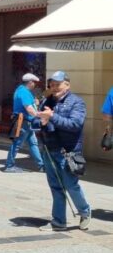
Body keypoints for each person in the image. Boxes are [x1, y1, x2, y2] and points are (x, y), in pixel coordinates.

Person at [35, 71, 91, 231]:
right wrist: (38, 122)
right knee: (56, 186)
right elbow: (40, 122)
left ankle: (85, 211)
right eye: (51, 85)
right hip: (49, 149)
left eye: (57, 84)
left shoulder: (76, 103)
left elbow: (75, 125)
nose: (54, 88)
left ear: (67, 85)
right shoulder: (47, 101)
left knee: (71, 185)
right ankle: (59, 221)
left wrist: (51, 117)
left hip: (68, 151)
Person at [4, 73, 45, 172]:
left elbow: (30, 105)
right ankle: (9, 165)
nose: (35, 84)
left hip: (27, 122)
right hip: (23, 122)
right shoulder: (24, 92)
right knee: (17, 143)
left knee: (33, 144)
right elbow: (29, 108)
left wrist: (36, 103)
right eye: (34, 82)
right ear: (30, 82)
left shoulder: (21, 90)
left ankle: (41, 165)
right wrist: (40, 115)